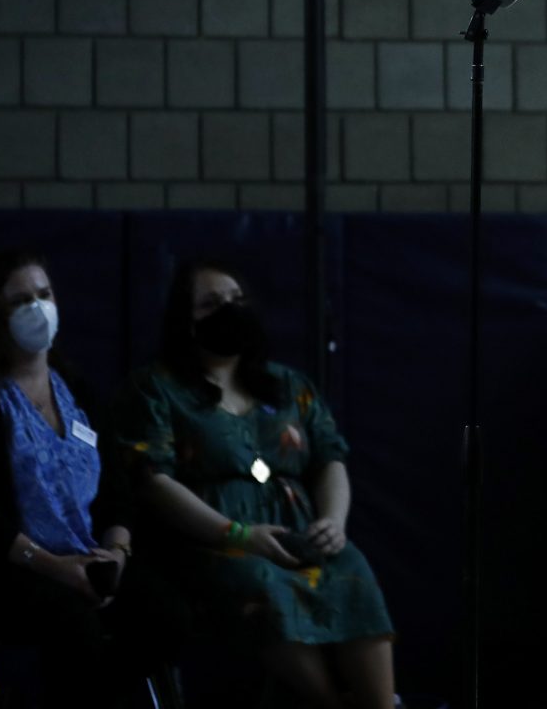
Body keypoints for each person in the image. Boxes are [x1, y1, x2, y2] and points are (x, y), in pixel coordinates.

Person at [117, 259, 395, 708]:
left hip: (299, 532)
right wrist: (240, 535)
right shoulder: (157, 388)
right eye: (212, 303)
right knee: (258, 579)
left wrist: (334, 520)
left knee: (352, 570)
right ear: (186, 321)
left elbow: (330, 458)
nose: (229, 309)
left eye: (236, 300)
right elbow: (152, 480)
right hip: (213, 541)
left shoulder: (288, 386)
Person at [0, 249, 176, 707]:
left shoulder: (76, 388)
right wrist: (56, 568)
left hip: (85, 556)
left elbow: (117, 489)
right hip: (4, 569)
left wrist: (117, 554)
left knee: (163, 610)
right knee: (72, 622)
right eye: (20, 300)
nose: (37, 307)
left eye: (44, 294)